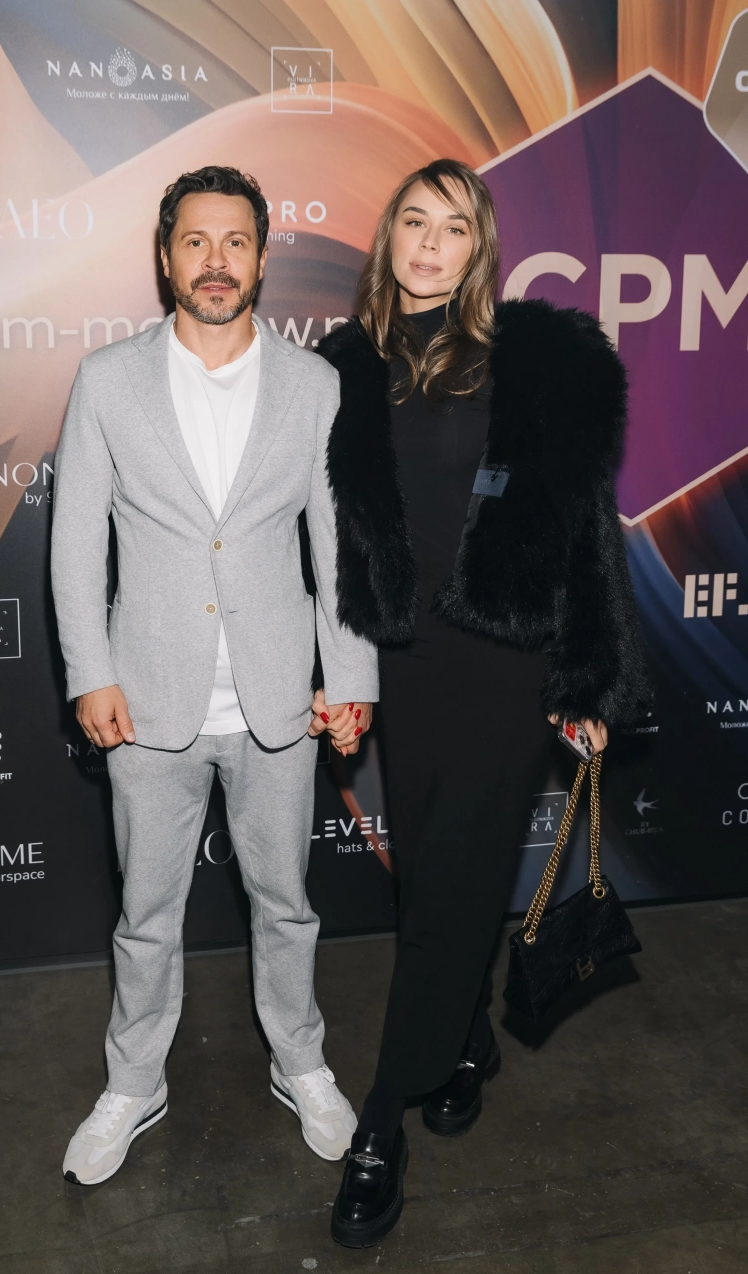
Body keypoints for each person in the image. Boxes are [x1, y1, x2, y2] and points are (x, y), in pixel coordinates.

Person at [315, 158, 650, 1247]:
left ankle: (382, 1119)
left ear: (478, 249)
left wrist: (588, 675)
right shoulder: (341, 366)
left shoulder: (533, 360)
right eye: (413, 220)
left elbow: (586, 528)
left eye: (452, 227)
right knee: (435, 879)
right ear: (388, 237)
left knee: (453, 878)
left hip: (505, 661)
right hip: (403, 661)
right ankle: (467, 1041)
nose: (428, 243)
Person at [50, 165, 377, 1186]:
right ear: (166, 257)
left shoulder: (314, 385)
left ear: (262, 257)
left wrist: (351, 676)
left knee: (286, 905)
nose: (216, 261)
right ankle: (132, 1081)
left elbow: (339, 549)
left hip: (280, 702)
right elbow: (74, 544)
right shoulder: (107, 380)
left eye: (235, 241)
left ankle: (301, 1061)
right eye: (195, 241)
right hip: (148, 702)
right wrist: (89, 672)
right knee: (146, 914)